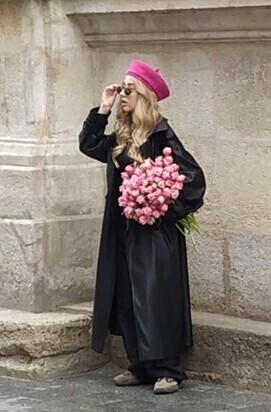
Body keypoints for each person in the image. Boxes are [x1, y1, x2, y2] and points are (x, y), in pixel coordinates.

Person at [78, 60, 206, 394]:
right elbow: (88, 143)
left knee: (154, 297)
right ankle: (141, 364)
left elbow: (193, 179)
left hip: (153, 233)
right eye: (121, 89)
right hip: (122, 230)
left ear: (144, 94)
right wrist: (102, 108)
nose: (122, 94)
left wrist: (160, 206)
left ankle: (168, 369)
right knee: (126, 296)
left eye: (128, 89)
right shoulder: (121, 137)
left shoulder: (161, 134)